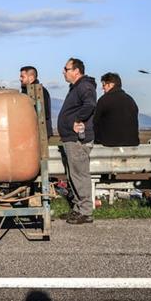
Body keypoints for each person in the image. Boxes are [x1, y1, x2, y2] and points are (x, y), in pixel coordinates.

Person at [58, 57, 97, 225]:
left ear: (76, 71)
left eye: (66, 69)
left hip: (77, 140)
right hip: (70, 139)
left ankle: (86, 212)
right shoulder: (76, 87)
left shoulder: (84, 86)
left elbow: (90, 105)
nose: (63, 72)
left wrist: (78, 120)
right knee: (73, 175)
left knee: (80, 175)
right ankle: (78, 209)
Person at [93, 72, 140, 146]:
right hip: (132, 143)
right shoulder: (131, 100)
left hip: (109, 143)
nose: (103, 88)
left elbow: (95, 122)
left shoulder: (104, 100)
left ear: (111, 84)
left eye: (104, 85)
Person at [19, 65, 53, 138]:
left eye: (22, 76)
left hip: (39, 133)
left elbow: (43, 113)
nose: (20, 79)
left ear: (31, 77)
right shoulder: (26, 91)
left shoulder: (40, 92)